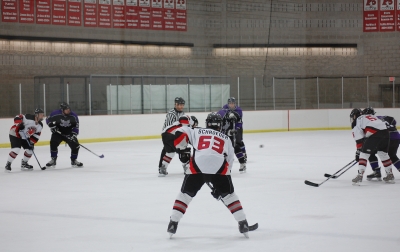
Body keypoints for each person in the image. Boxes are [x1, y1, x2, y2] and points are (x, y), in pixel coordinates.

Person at [167, 112, 251, 238]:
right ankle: (243, 223)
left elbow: (179, 132)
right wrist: (221, 186)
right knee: (229, 196)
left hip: (197, 167)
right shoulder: (226, 138)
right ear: (220, 125)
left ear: (207, 123)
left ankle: (173, 223)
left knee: (185, 195)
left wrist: (182, 149)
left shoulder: (196, 131)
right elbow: (229, 161)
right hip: (220, 168)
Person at [350, 108, 395, 185]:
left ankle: (360, 175)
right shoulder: (371, 117)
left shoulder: (358, 120)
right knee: (383, 153)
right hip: (386, 133)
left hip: (375, 133)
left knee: (363, 154)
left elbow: (359, 139)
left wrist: (358, 151)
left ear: (355, 116)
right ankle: (390, 175)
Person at [360, 107, 400, 181]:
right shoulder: (381, 117)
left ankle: (376, 171)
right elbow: (393, 120)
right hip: (396, 136)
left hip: (385, 138)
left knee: (370, 153)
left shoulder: (369, 120)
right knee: (392, 156)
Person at [45, 102, 83, 168]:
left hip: (69, 133)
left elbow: (76, 126)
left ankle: (73, 160)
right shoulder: (55, 113)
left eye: (69, 109)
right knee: (53, 143)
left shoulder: (73, 115)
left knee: (76, 146)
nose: (68, 110)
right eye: (66, 109)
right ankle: (53, 159)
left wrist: (74, 135)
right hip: (58, 133)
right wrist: (52, 126)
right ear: (62, 110)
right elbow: (48, 119)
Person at [217, 97, 247, 173]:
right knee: (223, 149)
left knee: (236, 145)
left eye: (232, 103)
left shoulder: (238, 111)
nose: (231, 105)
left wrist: (236, 129)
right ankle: (223, 165)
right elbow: (219, 113)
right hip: (225, 132)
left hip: (233, 130)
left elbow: (239, 122)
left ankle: (242, 162)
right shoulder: (224, 109)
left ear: (235, 103)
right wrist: (228, 113)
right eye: (230, 103)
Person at [158, 97, 186, 176]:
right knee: (180, 149)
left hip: (174, 135)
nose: (181, 106)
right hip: (168, 135)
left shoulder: (182, 114)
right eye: (179, 105)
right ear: (175, 104)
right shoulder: (171, 114)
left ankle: (161, 168)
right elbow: (169, 128)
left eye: (182, 105)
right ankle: (186, 166)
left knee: (168, 151)